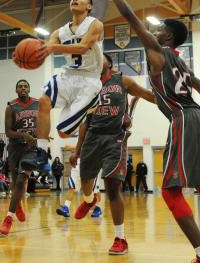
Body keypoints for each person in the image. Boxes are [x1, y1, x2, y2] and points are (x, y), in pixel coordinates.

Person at [96, 0, 200, 263]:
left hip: (183, 120)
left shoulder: (158, 52)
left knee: (171, 193)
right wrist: (196, 86)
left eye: (159, 30)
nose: (154, 32)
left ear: (168, 37)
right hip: (199, 118)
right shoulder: (180, 61)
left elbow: (130, 16)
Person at [71, 52, 156, 255]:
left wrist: (170, 104)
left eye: (100, 59)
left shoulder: (123, 80)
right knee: (85, 182)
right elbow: (84, 121)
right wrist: (77, 150)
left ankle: (120, 238)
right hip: (92, 137)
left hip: (115, 138)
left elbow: (146, 95)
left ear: (109, 63)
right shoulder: (88, 87)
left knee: (112, 186)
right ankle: (90, 200)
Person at [36, 0, 105, 141]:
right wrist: (35, 52)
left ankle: (89, 110)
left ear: (89, 6)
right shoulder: (59, 32)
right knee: (43, 101)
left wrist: (53, 47)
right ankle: (40, 150)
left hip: (89, 81)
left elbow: (82, 47)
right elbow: (47, 48)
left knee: (63, 134)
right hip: (68, 76)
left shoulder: (95, 24)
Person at [0, 79, 41, 235]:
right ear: (16, 90)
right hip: (15, 147)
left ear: (29, 89)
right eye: (20, 87)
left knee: (23, 179)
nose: (23, 88)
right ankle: (18, 206)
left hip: (31, 149)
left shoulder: (38, 103)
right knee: (16, 183)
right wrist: (24, 135)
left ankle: (8, 219)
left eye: (25, 86)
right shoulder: (11, 107)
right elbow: (8, 132)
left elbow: (42, 122)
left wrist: (43, 132)